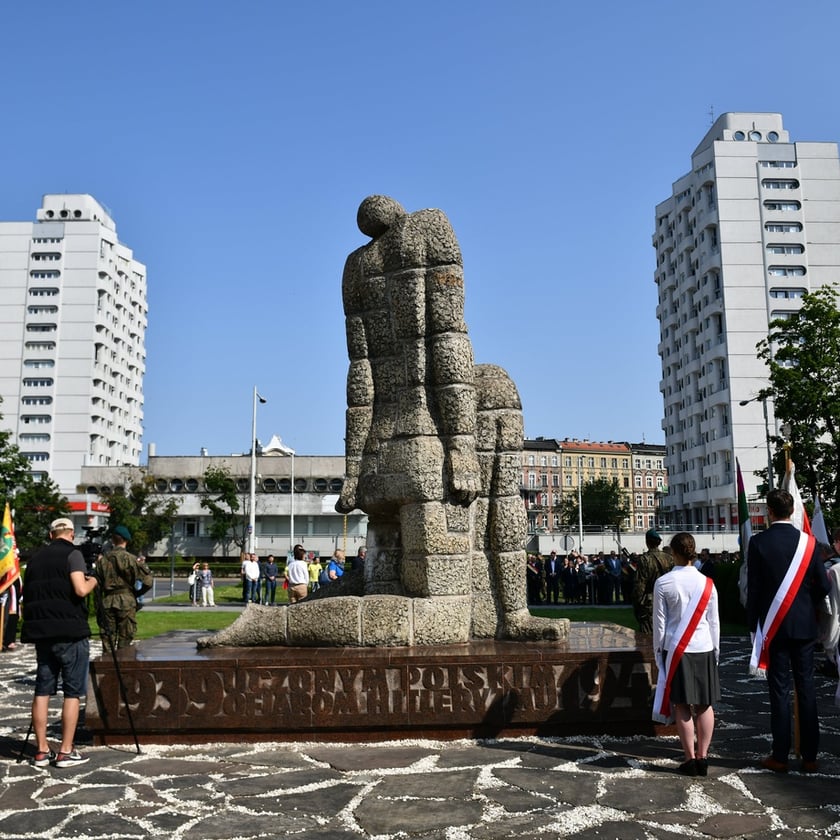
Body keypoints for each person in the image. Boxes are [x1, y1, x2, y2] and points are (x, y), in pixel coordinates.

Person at [747, 488, 830, 773]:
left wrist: (754, 627)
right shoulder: (810, 543)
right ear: (792, 510)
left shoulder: (758, 543)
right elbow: (825, 585)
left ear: (769, 511)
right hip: (805, 626)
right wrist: (808, 603)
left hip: (775, 627)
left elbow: (754, 591)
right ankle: (810, 756)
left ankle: (780, 755)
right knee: (807, 689)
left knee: (779, 691)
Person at [21, 517, 98, 767]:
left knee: (42, 690)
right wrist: (94, 578)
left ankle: (41, 750)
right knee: (73, 692)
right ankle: (65, 751)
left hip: (42, 632)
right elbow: (80, 589)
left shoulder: (35, 560)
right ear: (71, 534)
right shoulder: (73, 555)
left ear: (50, 534)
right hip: (70, 631)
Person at [652, 532, 720, 776]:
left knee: (680, 704)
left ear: (674, 552)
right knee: (704, 704)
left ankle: (690, 759)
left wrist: (658, 653)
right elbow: (714, 622)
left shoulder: (664, 582)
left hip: (676, 648)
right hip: (704, 646)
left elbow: (659, 624)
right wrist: (716, 651)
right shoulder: (708, 583)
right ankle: (703, 757)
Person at [97, 525, 153, 651]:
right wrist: (137, 594)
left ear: (113, 540)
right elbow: (148, 581)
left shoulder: (102, 561)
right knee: (125, 642)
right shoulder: (132, 559)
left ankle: (107, 668)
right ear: (126, 540)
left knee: (108, 641)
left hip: (107, 602)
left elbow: (97, 585)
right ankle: (123, 668)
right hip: (126, 601)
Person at [632, 529, 672, 633]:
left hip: (650, 602)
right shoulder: (669, 558)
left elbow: (639, 585)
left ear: (647, 542)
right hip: (667, 599)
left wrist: (638, 604)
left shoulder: (645, 559)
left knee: (648, 637)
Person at [1, 576, 22, 651]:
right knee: (4, 620)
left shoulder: (16, 576)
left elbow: (20, 590)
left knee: (12, 620)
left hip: (14, 600)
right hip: (5, 599)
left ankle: (10, 640)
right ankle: (3, 641)